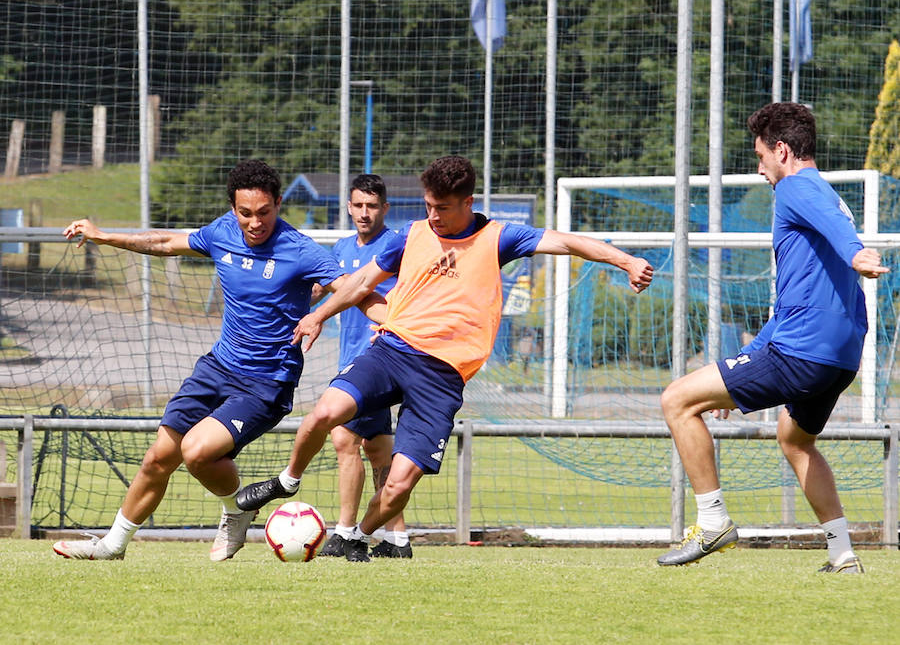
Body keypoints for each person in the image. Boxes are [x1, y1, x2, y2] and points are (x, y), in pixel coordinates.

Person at [235, 155, 654, 561]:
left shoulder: (498, 237)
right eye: (429, 205)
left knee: (399, 484)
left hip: (442, 377)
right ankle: (288, 481)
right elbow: (361, 280)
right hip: (393, 350)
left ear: (468, 203)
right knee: (326, 412)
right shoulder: (411, 235)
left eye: (443, 208)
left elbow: (566, 241)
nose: (433, 215)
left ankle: (356, 537)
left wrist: (626, 260)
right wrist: (318, 315)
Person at [52, 159, 367, 561]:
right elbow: (164, 244)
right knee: (158, 458)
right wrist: (104, 236)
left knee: (197, 453)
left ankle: (236, 510)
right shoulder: (221, 232)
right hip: (217, 367)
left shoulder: (300, 249)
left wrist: (321, 314)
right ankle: (113, 545)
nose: (255, 223)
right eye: (245, 213)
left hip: (266, 383)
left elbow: (353, 288)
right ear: (233, 209)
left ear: (279, 203)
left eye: (265, 213)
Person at [656, 102, 889, 572]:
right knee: (795, 439)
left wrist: (857, 254)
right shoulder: (823, 190)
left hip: (803, 351)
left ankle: (713, 523)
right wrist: (742, 359)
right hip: (841, 357)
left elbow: (837, 231)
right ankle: (842, 553)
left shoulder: (797, 188)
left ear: (781, 150)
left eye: (760, 155)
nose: (759, 168)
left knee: (677, 400)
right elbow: (789, 307)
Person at [316, 174, 412, 559]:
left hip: (380, 360)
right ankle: (397, 539)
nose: (364, 213)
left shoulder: (395, 246)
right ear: (349, 207)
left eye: (372, 206)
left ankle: (344, 532)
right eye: (358, 205)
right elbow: (321, 288)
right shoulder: (340, 248)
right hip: (350, 361)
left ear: (385, 209)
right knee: (378, 450)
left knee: (343, 439)